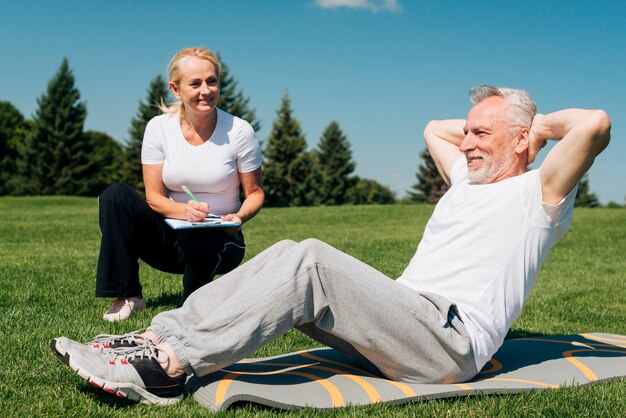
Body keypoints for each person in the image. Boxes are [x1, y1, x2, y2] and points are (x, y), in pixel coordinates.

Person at [52, 86, 611, 405]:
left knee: (310, 259)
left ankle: (169, 366)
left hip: (449, 341)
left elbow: (596, 124)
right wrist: (488, 123)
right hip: (402, 322)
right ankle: (156, 337)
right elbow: (432, 129)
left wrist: (533, 127)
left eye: (481, 135)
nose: (464, 143)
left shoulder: (540, 195)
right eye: (468, 132)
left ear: (521, 141)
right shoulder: (467, 180)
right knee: (287, 252)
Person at [96, 47, 264, 321]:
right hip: (169, 240)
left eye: (212, 81)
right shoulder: (159, 128)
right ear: (176, 89)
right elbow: (153, 197)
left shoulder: (240, 131)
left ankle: (194, 304)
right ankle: (127, 294)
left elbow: (255, 193)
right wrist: (184, 212)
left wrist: (239, 217)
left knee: (203, 236)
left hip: (222, 240)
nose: (206, 90)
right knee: (115, 196)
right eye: (195, 83)